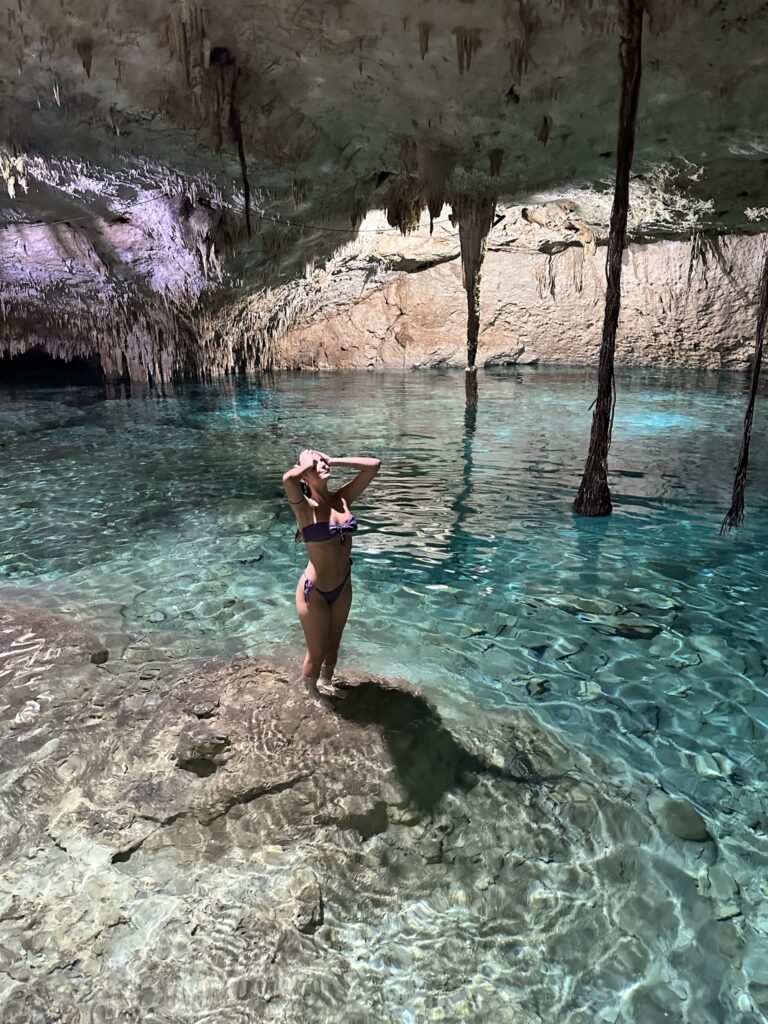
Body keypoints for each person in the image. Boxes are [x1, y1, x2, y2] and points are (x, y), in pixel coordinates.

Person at [283, 447, 381, 697]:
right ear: (304, 475)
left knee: (333, 646)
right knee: (316, 654)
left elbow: (373, 465)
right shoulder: (304, 508)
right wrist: (308, 465)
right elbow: (288, 480)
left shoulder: (342, 499)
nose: (322, 465)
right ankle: (311, 694)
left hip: (343, 585)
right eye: (314, 464)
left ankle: (327, 683)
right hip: (313, 592)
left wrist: (333, 460)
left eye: (322, 461)